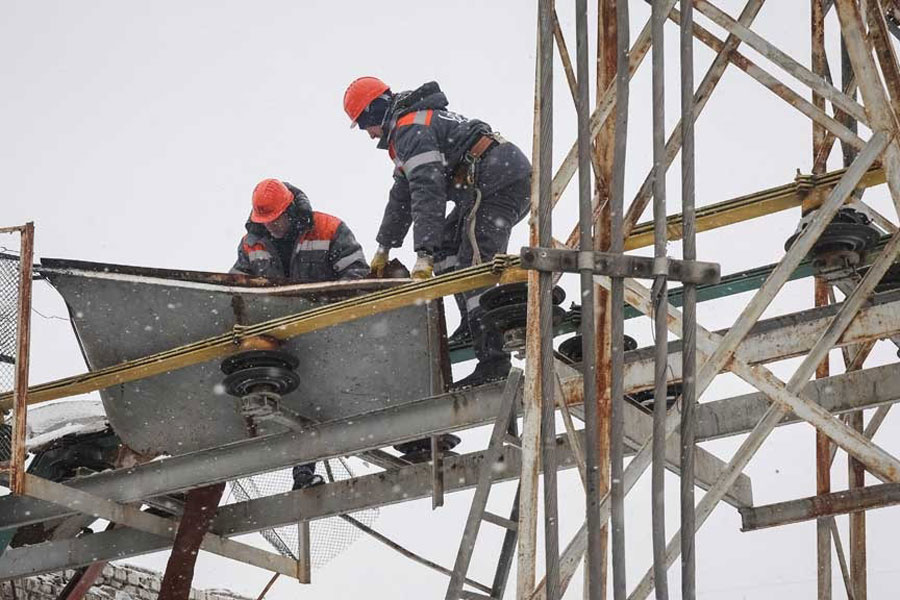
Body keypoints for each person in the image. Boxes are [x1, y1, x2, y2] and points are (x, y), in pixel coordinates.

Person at [343, 77, 531, 388]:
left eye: (364, 124)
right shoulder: (408, 129)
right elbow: (402, 196)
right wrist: (384, 247)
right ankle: (473, 325)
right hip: (491, 180)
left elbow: (427, 192)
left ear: (375, 111)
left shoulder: (410, 129)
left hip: (499, 181)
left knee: (474, 265)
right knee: (447, 245)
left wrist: (423, 254)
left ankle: (495, 362)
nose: (368, 134)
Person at [232, 178, 369, 488]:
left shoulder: (329, 229)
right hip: (280, 342)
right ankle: (303, 474)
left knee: (318, 400)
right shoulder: (251, 243)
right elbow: (236, 290)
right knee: (297, 404)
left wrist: (326, 308)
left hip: (326, 332)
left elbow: (356, 277)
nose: (272, 226)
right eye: (265, 221)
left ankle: (413, 439)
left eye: (276, 218)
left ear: (290, 210)